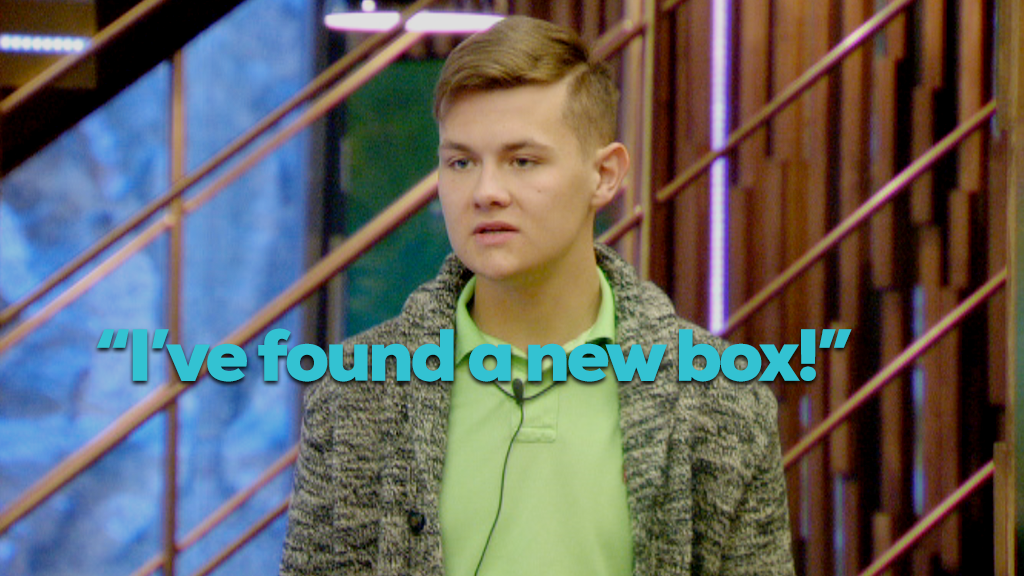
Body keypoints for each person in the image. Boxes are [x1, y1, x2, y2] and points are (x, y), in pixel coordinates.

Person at [280, 15, 794, 576]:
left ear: (605, 175)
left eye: (522, 161)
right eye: (461, 162)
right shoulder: (355, 395)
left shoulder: (719, 400)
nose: (486, 192)